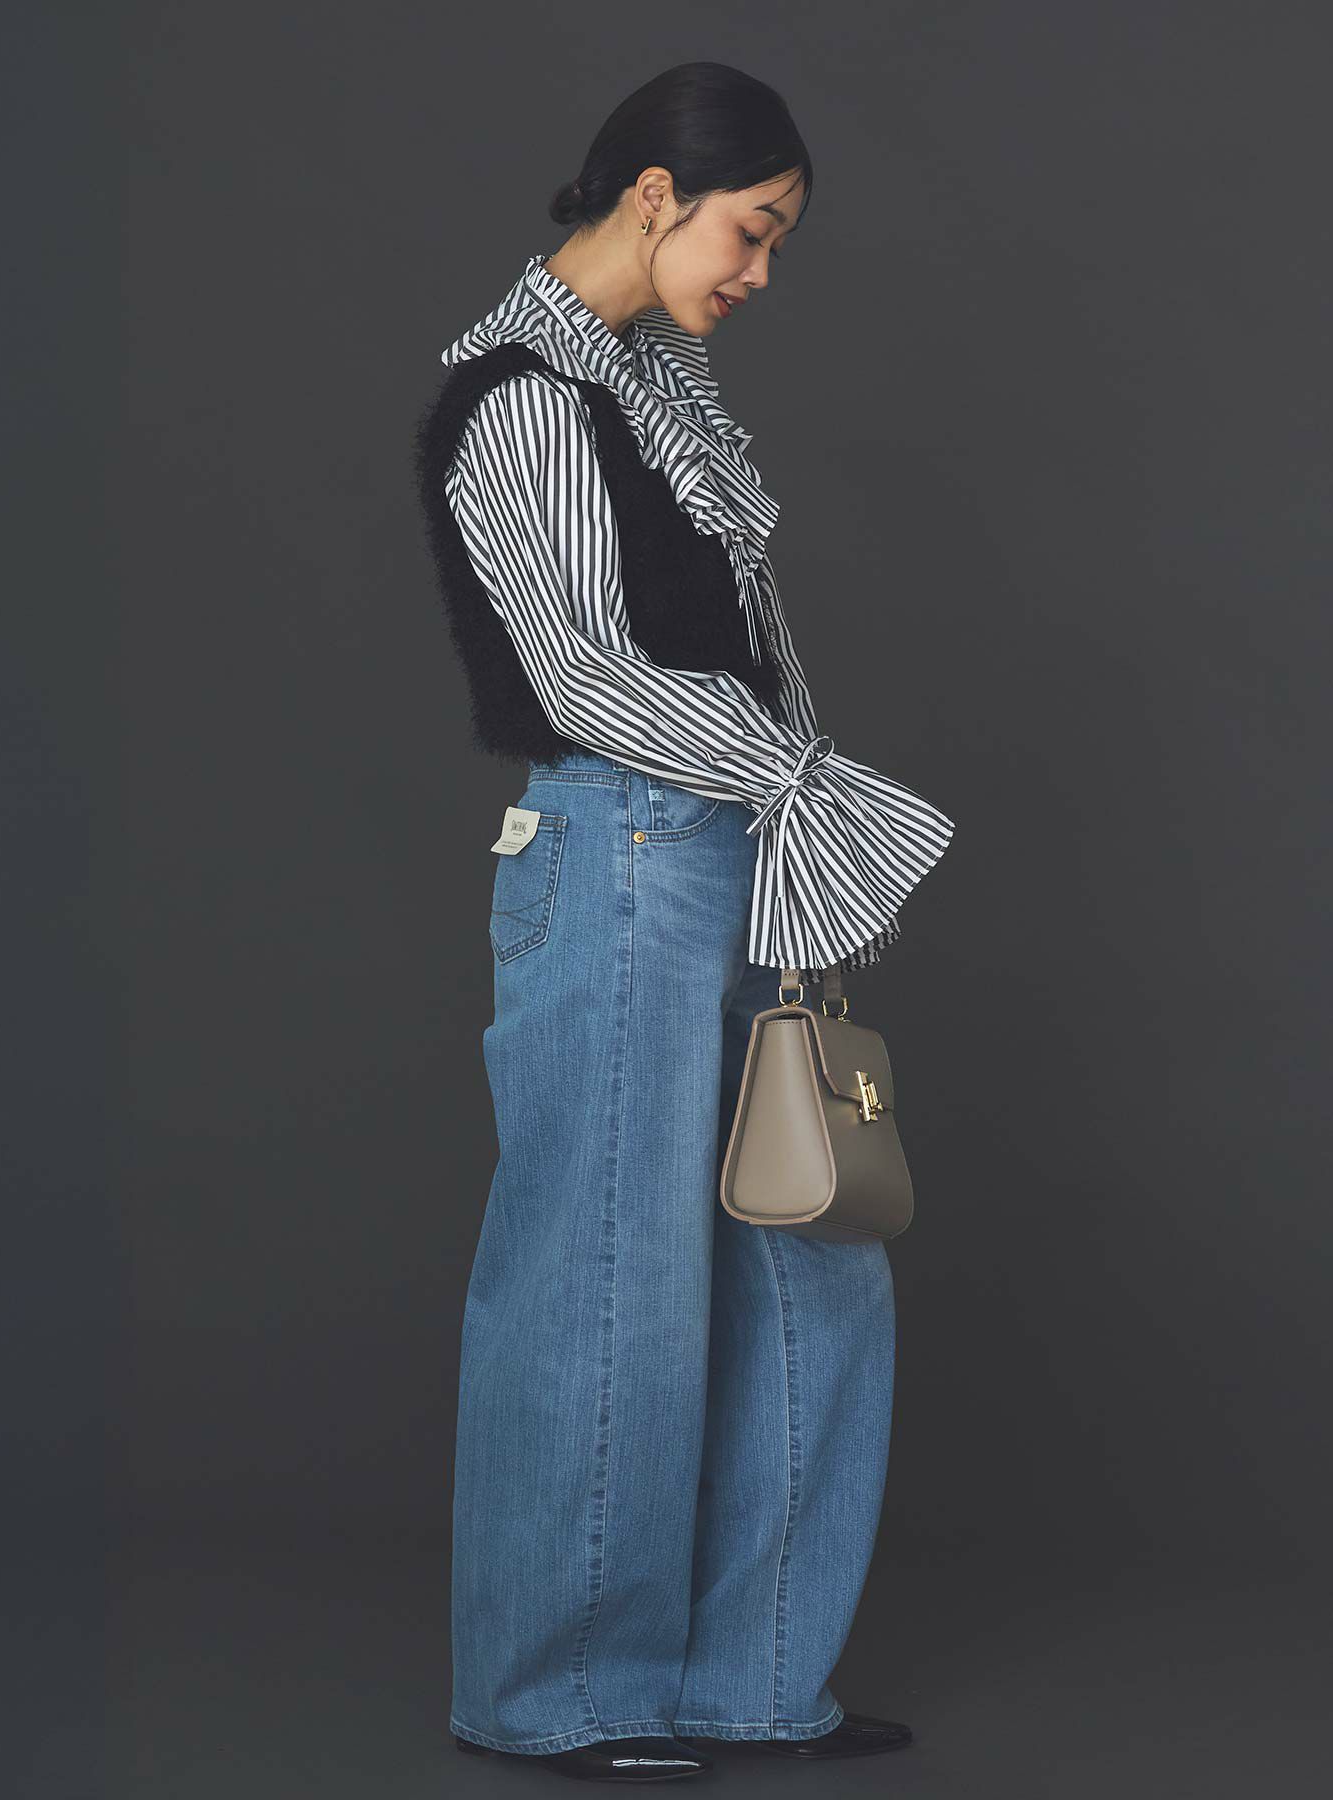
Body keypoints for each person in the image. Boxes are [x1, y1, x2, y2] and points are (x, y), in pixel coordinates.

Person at [411, 61, 955, 1785]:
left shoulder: (656, 389)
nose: (762, 272)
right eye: (752, 230)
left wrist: (796, 808)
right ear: (653, 194)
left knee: (813, 1249)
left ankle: (756, 1680)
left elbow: (744, 654)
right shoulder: (518, 398)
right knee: (608, 1276)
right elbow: (584, 677)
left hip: (736, 854)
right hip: (622, 851)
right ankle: (567, 1694)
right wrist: (799, 776)